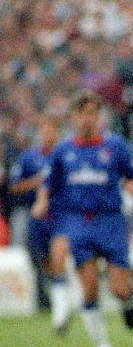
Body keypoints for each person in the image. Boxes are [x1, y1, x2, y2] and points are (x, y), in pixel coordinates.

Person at [32, 90, 133, 347]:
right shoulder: (63, 151)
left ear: (99, 115)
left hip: (111, 221)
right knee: (89, 285)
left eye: (91, 112)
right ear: (73, 118)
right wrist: (42, 201)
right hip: (79, 222)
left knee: (119, 289)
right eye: (81, 113)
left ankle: (129, 301)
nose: (86, 119)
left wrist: (130, 193)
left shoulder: (115, 146)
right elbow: (49, 183)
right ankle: (102, 346)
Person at [8, 115, 76, 333]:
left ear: (58, 132)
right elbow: (13, 187)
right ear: (38, 134)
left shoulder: (66, 155)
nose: (48, 134)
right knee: (46, 264)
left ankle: (60, 314)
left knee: (58, 259)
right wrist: (36, 183)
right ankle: (63, 302)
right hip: (37, 218)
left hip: (61, 215)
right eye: (44, 130)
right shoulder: (28, 158)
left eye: (52, 129)